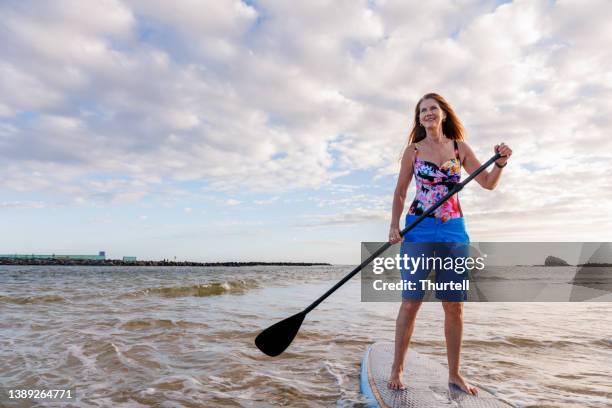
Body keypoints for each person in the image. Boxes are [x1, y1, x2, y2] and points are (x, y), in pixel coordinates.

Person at [387, 93, 512, 394]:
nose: (428, 113)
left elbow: (488, 183)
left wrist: (501, 163)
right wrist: (394, 225)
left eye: (433, 109)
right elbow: (401, 192)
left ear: (443, 114)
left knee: (454, 306)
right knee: (411, 302)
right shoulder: (413, 151)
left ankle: (454, 374)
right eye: (423, 110)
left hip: (453, 231)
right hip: (418, 230)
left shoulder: (460, 148)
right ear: (418, 119)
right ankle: (397, 368)